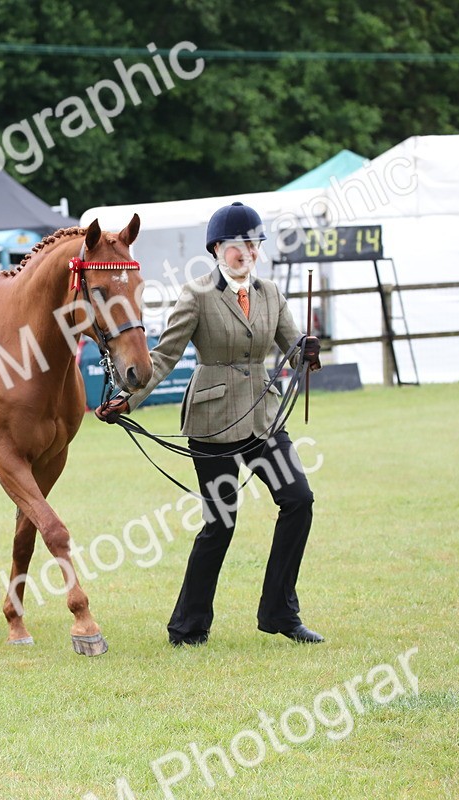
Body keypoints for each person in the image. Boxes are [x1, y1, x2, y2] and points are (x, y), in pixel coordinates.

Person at [96, 201, 325, 646]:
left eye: (254, 244)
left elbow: (293, 347)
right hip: (213, 420)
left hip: (263, 417)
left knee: (299, 500)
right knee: (221, 523)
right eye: (240, 246)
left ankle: (280, 612)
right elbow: (164, 356)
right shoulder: (197, 295)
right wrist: (129, 397)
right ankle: (188, 627)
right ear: (218, 248)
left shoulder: (271, 294)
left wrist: (308, 350)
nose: (248, 253)